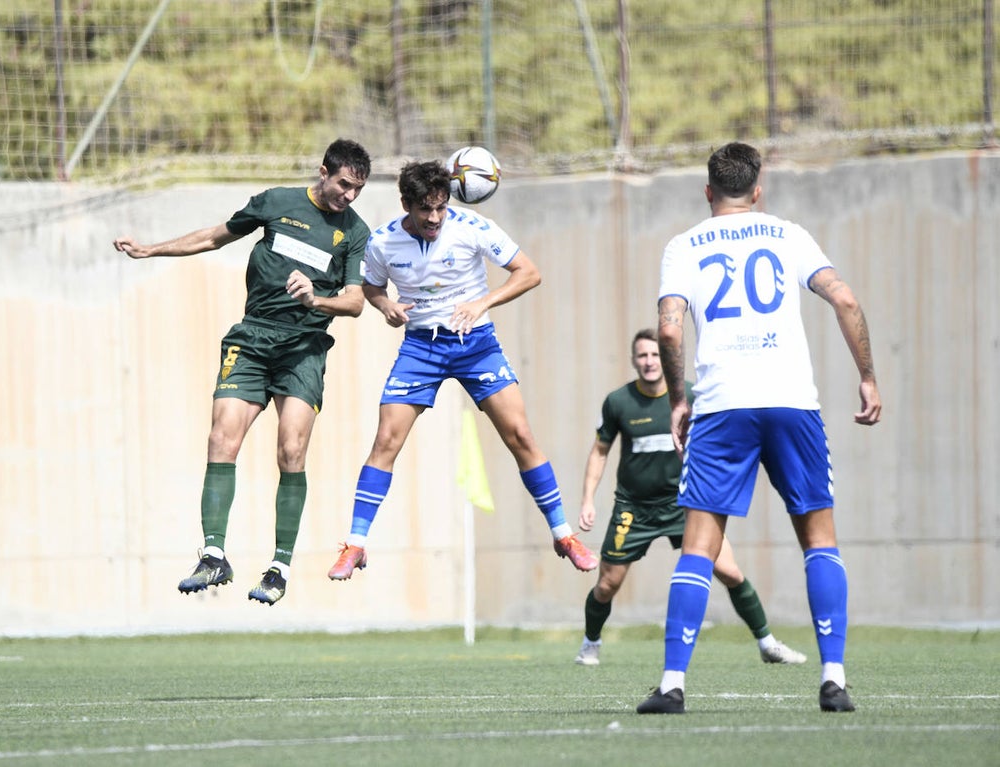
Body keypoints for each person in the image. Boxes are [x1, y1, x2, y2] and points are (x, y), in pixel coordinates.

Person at [636, 142, 881, 715]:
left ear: (707, 191)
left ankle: (673, 684)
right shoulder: (788, 234)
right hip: (793, 402)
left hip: (723, 407)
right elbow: (843, 298)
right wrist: (867, 375)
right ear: (759, 187)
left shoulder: (683, 246)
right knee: (819, 540)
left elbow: (669, 333)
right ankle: (834, 680)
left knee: (698, 548)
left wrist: (677, 399)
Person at [112, 138, 373, 606]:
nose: (349, 196)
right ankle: (214, 555)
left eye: (357, 189)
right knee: (220, 438)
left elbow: (355, 301)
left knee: (291, 448)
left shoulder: (354, 231)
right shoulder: (276, 203)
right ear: (323, 171)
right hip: (252, 339)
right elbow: (216, 235)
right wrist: (152, 250)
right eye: (344, 185)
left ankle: (278, 567)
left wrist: (316, 299)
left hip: (304, 349)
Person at [326, 159, 598, 581]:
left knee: (521, 435)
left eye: (440, 208)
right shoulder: (381, 242)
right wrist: (387, 307)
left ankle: (563, 534)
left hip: (477, 346)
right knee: (385, 440)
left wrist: (481, 303)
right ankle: (356, 544)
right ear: (406, 205)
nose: (435, 218)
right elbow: (373, 288)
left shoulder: (473, 226)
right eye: (425, 210)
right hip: (420, 348)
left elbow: (529, 272)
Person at [574, 328, 806, 667]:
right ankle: (590, 643)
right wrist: (588, 500)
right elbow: (599, 451)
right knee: (607, 584)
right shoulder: (618, 402)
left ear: (666, 358)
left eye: (655, 354)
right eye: (643, 355)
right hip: (633, 508)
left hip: (686, 503)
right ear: (633, 360)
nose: (650, 361)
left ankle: (767, 643)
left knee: (729, 571)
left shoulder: (694, 396)